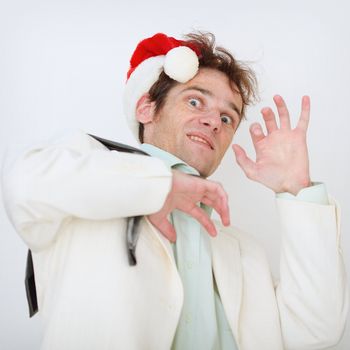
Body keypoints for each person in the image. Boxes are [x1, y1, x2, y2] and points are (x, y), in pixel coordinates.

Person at [2, 32, 348, 350]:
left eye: (228, 118)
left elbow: (317, 332)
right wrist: (160, 185)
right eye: (196, 102)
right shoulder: (81, 175)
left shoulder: (245, 253)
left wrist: (298, 189)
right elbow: (26, 185)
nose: (214, 121)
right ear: (146, 108)